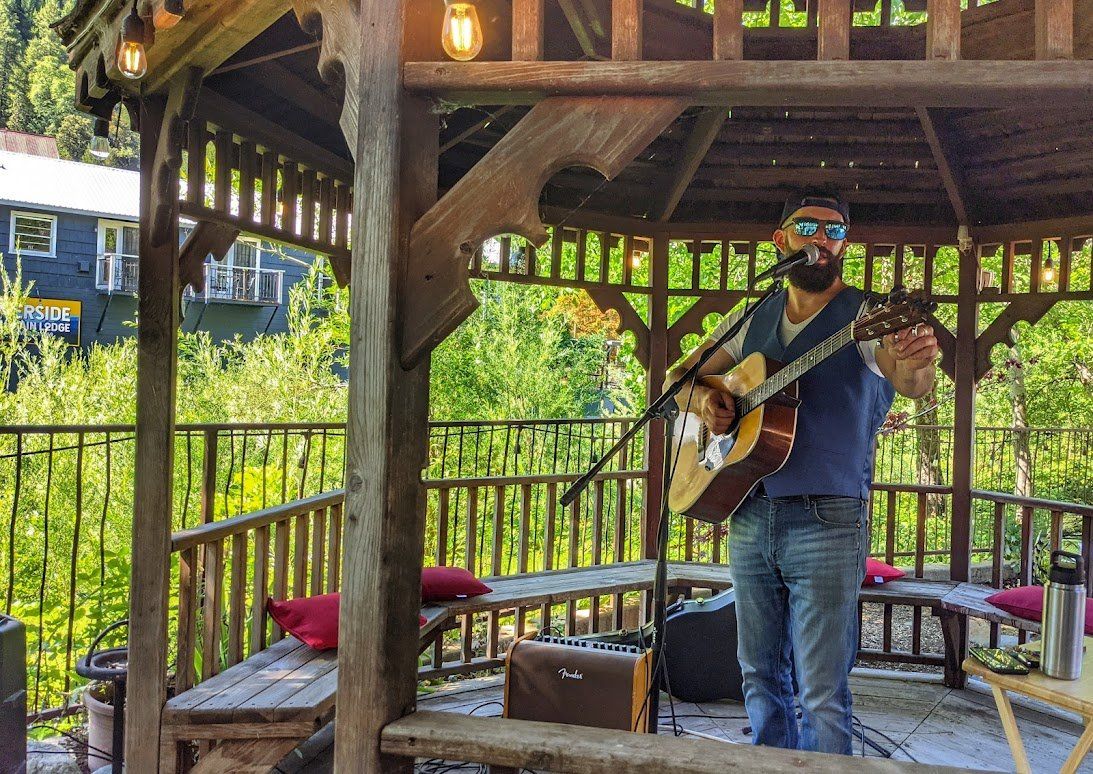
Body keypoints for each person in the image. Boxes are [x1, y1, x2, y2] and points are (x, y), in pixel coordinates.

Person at [664, 191, 938, 755]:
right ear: (781, 240)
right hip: (749, 511)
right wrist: (704, 405)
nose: (822, 240)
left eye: (835, 232)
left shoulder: (868, 317)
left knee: (820, 690)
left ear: (845, 246)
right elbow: (680, 377)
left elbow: (908, 380)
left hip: (829, 520)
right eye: (808, 227)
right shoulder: (753, 315)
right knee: (758, 676)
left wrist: (916, 365)